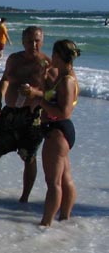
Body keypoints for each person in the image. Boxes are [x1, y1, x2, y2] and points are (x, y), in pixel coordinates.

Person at [0, 26, 49, 201]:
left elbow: (54, 94)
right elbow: (5, 80)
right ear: (23, 42)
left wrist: (35, 93)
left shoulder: (47, 64)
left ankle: (24, 197)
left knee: (29, 157)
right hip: (9, 113)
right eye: (29, 41)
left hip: (32, 116)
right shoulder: (13, 59)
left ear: (42, 41)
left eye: (37, 41)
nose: (33, 44)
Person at [25, 40, 81, 226]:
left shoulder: (66, 80)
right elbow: (53, 96)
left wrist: (39, 99)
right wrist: (42, 80)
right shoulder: (66, 76)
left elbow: (64, 112)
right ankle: (65, 218)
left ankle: (46, 224)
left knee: (53, 183)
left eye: (53, 54)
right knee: (65, 179)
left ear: (58, 56)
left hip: (58, 131)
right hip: (62, 131)